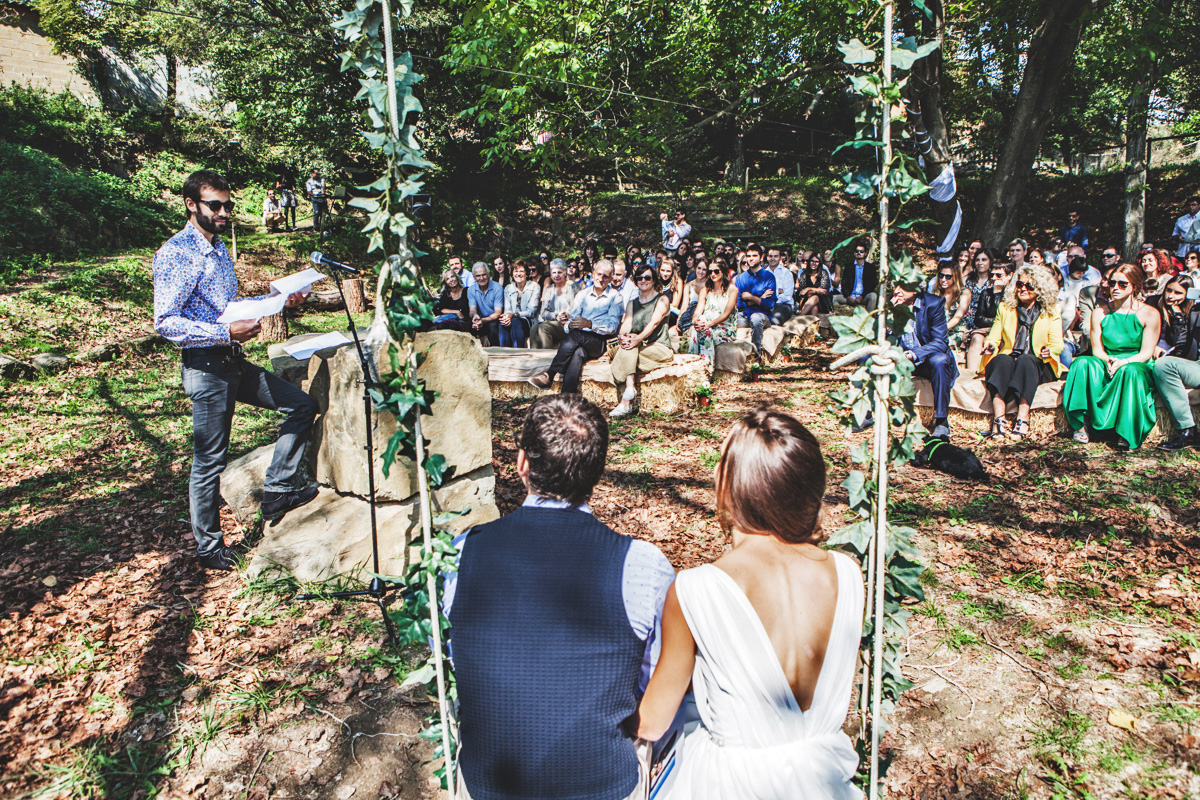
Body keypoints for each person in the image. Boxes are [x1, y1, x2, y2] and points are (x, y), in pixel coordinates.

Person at [447, 394, 674, 800]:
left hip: (487, 785)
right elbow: (656, 676)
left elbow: (451, 653)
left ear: (522, 464)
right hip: (602, 783)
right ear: (598, 473)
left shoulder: (460, 554)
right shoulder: (643, 566)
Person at [636, 409, 864, 799]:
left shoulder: (696, 590)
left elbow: (653, 722)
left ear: (730, 487)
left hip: (726, 784)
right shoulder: (848, 574)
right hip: (824, 781)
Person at [154, 170, 317, 571]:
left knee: (300, 405)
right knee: (210, 459)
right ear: (192, 205)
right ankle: (209, 549)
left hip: (234, 362)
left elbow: (230, 305)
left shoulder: (220, 248)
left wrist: (280, 300)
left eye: (228, 205)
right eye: (216, 205)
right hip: (206, 369)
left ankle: (277, 490)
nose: (225, 212)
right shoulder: (176, 253)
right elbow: (166, 322)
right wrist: (222, 331)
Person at [1062, 263, 1161, 449]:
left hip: (1137, 362)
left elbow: (1147, 352)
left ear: (1135, 286)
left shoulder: (1150, 313)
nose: (1115, 287)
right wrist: (1108, 360)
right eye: (1112, 282)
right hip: (1106, 359)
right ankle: (1081, 424)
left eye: (1123, 284)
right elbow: (1097, 348)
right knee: (1082, 363)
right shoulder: (1099, 312)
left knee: (1129, 372)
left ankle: (1126, 430)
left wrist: (1124, 361)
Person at [978, 265, 1064, 440]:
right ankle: (998, 420)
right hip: (1011, 358)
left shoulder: (1051, 310)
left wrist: (1050, 351)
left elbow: (1057, 344)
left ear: (1040, 288)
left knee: (1026, 360)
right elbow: (994, 337)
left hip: (1039, 362)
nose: (1023, 288)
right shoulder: (1005, 308)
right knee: (1001, 360)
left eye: (1029, 285)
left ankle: (1022, 419)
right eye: (1019, 284)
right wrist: (991, 346)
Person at [528, 260, 624, 394]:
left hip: (600, 341)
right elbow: (571, 320)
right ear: (593, 273)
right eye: (599, 274)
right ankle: (567, 397)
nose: (601, 279)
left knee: (576, 336)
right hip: (579, 338)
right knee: (578, 353)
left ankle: (550, 374)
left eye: (605, 276)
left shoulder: (615, 297)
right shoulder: (582, 295)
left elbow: (613, 327)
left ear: (610, 279)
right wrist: (569, 325)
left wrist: (590, 324)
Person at [610, 267, 673, 418]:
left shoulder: (662, 299)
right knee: (628, 347)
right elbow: (627, 324)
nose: (643, 281)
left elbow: (654, 323)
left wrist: (637, 338)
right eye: (639, 278)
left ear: (654, 280)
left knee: (621, 359)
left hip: (658, 346)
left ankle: (626, 402)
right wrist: (623, 336)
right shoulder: (632, 303)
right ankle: (629, 393)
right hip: (637, 347)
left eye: (647, 277)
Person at [1153, 278, 1200, 450]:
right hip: (1196, 365)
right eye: (1169, 290)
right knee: (1164, 365)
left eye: (1177, 292)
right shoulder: (1195, 310)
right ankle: (1188, 430)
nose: (1171, 296)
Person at [689, 258, 738, 371]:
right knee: (696, 331)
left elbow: (726, 314)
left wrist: (709, 324)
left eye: (716, 271)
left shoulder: (732, 290)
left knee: (705, 333)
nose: (713, 274)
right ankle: (693, 369)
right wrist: (695, 322)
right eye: (710, 271)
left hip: (723, 328)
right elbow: (697, 311)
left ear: (723, 271)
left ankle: (706, 371)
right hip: (705, 325)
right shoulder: (705, 290)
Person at [964, 261, 1013, 373]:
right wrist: (995, 294)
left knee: (994, 341)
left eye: (999, 275)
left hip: (1006, 329)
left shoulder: (1013, 294)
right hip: (986, 328)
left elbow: (1004, 317)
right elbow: (978, 319)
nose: (994, 278)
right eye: (993, 275)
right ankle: (972, 373)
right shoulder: (986, 293)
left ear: (1010, 275)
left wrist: (998, 294)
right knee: (976, 338)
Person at [734, 244, 776, 356]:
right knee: (729, 319)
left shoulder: (769, 277)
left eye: (754, 255)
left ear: (761, 257)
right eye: (748, 256)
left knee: (756, 318)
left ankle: (757, 353)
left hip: (763, 315)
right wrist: (760, 298)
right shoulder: (741, 278)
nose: (751, 258)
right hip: (744, 315)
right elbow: (739, 303)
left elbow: (770, 304)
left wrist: (750, 297)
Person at [531, 259, 578, 349]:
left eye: (559, 272)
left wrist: (568, 315)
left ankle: (547, 358)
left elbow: (579, 307)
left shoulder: (572, 286)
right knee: (534, 328)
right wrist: (556, 316)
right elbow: (543, 312)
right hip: (554, 320)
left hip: (568, 324)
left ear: (565, 273)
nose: (556, 275)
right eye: (554, 273)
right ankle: (534, 357)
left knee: (544, 327)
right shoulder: (548, 290)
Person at [498, 260, 541, 347]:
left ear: (526, 273)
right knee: (502, 324)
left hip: (529, 321)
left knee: (515, 322)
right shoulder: (508, 288)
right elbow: (507, 309)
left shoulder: (534, 286)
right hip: (513, 319)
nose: (518, 274)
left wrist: (514, 315)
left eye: (521, 271)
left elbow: (531, 311)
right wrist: (507, 317)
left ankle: (518, 352)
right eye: (516, 271)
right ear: (512, 274)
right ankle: (503, 353)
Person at [933, 262, 973, 351]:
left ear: (955, 277)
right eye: (941, 275)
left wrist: (940, 330)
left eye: (948, 277)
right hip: (937, 329)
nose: (943, 279)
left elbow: (957, 318)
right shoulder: (935, 293)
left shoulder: (964, 293)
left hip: (956, 329)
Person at [468, 261, 505, 345]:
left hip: (493, 320)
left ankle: (496, 353)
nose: (481, 278)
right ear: (474, 277)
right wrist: (475, 316)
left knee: (492, 327)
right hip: (480, 320)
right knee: (468, 324)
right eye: (478, 276)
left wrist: (483, 320)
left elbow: (498, 313)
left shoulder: (497, 287)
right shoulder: (471, 289)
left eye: (483, 274)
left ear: (488, 274)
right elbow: (472, 310)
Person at [838, 243, 878, 310]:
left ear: (865, 253)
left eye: (861, 251)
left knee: (873, 296)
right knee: (833, 298)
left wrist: (862, 296)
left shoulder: (870, 268)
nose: (859, 253)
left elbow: (872, 285)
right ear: (854, 253)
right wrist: (848, 297)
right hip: (850, 297)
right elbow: (844, 284)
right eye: (857, 251)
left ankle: (868, 318)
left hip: (863, 297)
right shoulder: (849, 267)